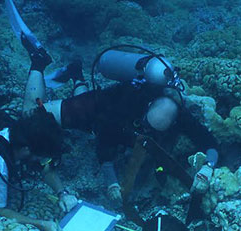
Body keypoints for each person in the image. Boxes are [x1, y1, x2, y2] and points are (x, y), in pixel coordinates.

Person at [18, 38, 220, 206]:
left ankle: (76, 73)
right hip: (96, 106)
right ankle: (39, 61)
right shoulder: (123, 105)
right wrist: (112, 182)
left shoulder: (181, 115)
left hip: (110, 118)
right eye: (145, 126)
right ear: (145, 111)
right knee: (32, 114)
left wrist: (207, 168)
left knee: (86, 123)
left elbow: (209, 141)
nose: (147, 131)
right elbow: (104, 142)